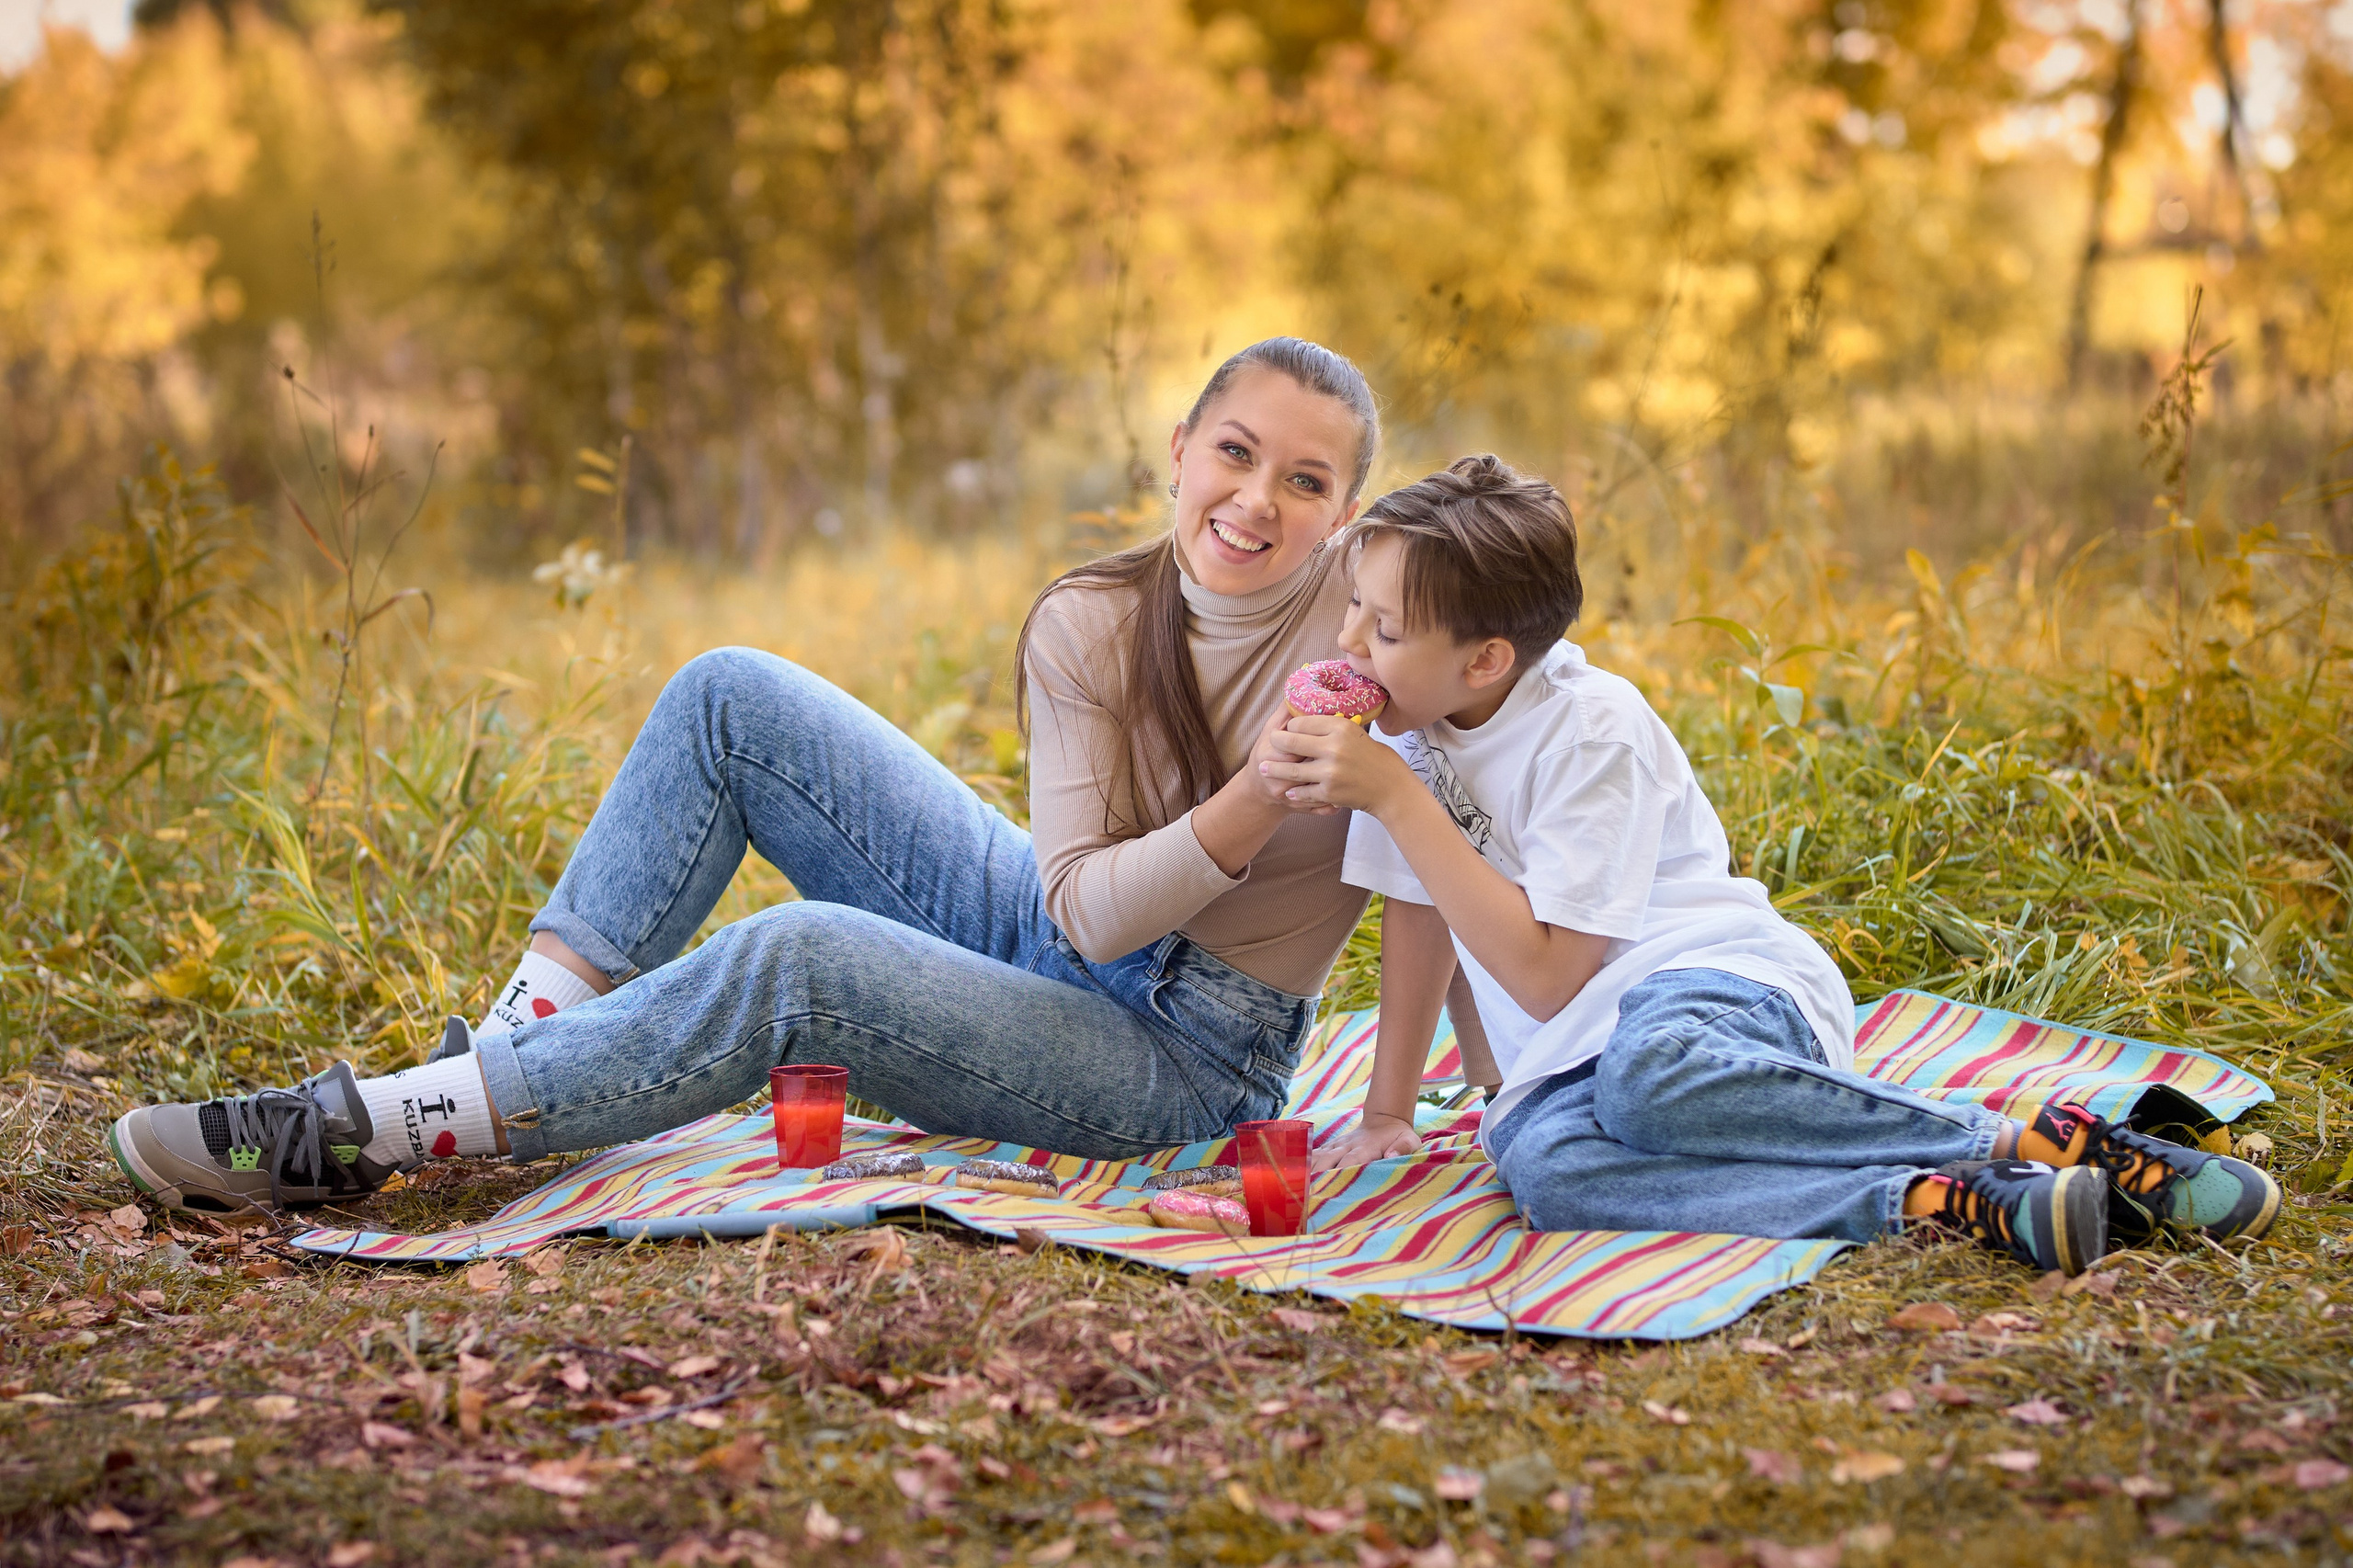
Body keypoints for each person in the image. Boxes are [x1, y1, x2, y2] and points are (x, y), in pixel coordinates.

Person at [109, 336, 1395, 1213]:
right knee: (731, 693)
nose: (1256, 500)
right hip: (1061, 930)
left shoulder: (1379, 620)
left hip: (1180, 1057)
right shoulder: (1093, 618)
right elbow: (1089, 913)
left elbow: (1518, 724)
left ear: (1349, 511)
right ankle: (502, 1063)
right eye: (1234, 452)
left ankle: (363, 1128)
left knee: (802, 961)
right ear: (1179, 447)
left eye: (1306, 480)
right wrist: (1260, 792)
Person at [1272, 455, 2280, 1273]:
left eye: (1386, 626)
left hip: (1710, 990)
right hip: (1570, 1054)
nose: (1349, 640)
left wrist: (1398, 799)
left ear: (1485, 658)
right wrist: (1388, 1112)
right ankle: (1948, 1200)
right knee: (1548, 1172)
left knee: (1648, 1079)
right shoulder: (1401, 736)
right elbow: (1419, 914)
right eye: (1354, 607)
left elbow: (1546, 970)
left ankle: (2038, 1140)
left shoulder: (1592, 732)